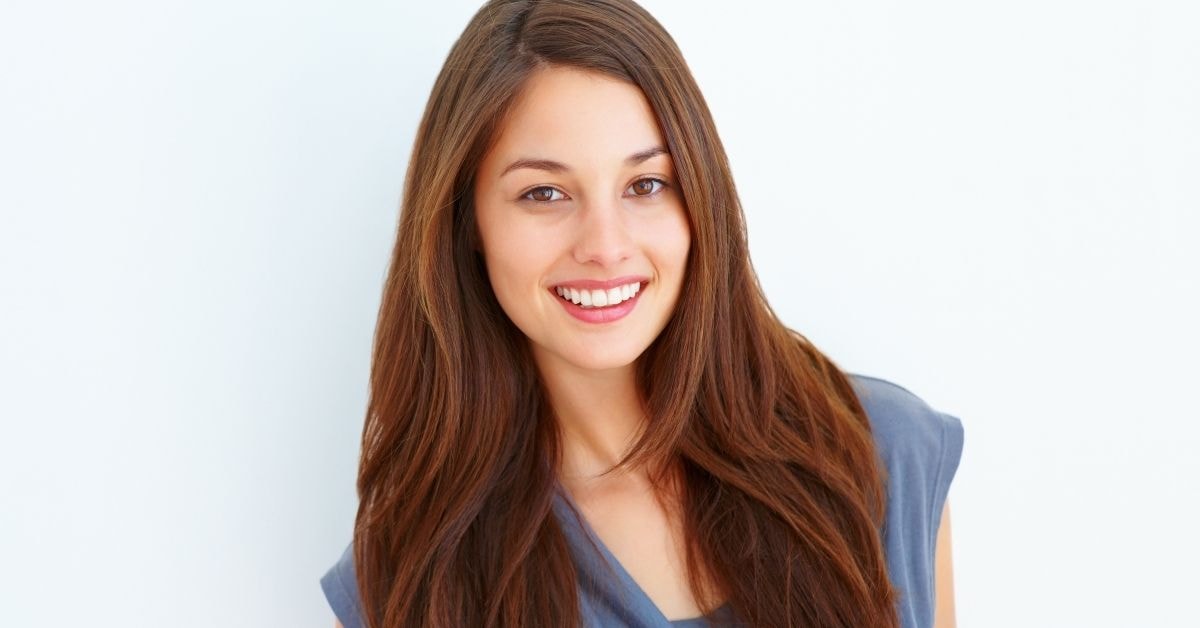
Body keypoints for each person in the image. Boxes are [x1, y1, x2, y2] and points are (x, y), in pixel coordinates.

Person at [320, 0, 964, 626]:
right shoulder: (414, 573)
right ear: (468, 224)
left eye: (645, 185)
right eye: (543, 193)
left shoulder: (882, 453)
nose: (605, 246)